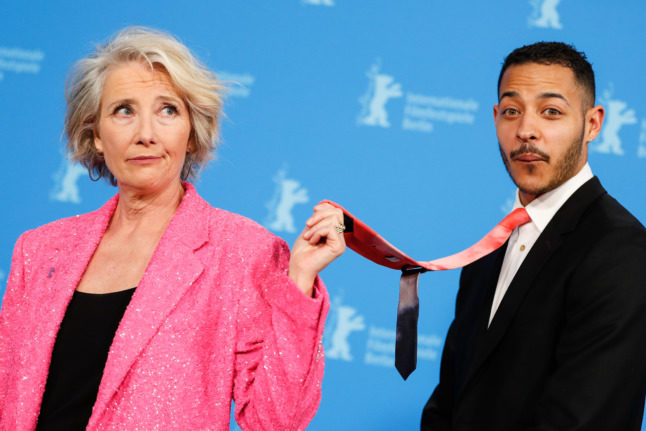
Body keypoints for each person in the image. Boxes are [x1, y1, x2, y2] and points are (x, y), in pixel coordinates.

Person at [0, 27, 345, 430]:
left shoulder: (242, 251)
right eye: (123, 110)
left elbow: (275, 421)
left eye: (167, 110)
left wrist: (299, 280)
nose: (146, 134)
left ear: (192, 133)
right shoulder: (40, 250)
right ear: (95, 136)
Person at [421, 42, 646, 430]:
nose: (526, 130)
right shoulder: (486, 253)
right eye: (511, 111)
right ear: (495, 118)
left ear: (592, 123)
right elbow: (450, 405)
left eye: (551, 112)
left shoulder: (623, 251)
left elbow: (585, 419)